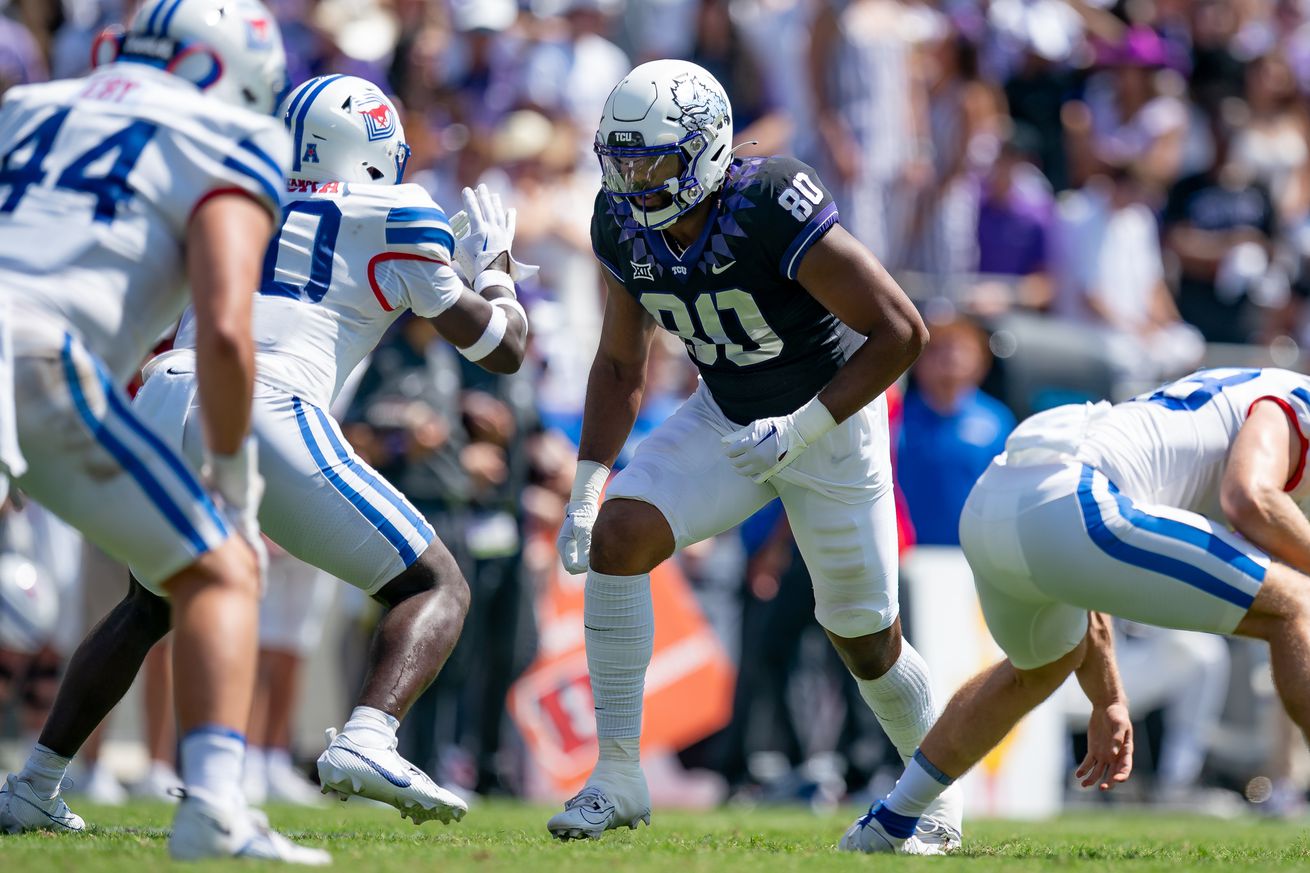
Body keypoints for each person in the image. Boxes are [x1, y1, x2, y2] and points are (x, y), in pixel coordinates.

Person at [10, 74, 529, 830]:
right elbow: (502, 347)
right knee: (434, 584)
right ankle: (368, 735)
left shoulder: (234, 195)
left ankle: (33, 783)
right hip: (266, 400)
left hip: (163, 392)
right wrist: (498, 268)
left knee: (149, 604)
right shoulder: (396, 210)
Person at [547, 59, 963, 851]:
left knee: (865, 638)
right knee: (619, 535)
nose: (633, 179)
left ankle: (934, 796)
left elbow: (902, 329)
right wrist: (586, 484)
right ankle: (617, 775)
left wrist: (803, 427)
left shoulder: (769, 199)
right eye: (622, 159)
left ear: (704, 150)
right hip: (727, 414)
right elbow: (619, 364)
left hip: (833, 424)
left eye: (653, 160)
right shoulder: (619, 220)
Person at [0, 0, 328, 862]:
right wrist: (232, 475)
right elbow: (224, 327)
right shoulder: (231, 137)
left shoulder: (30, 105)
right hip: (34, 355)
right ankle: (214, 806)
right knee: (220, 564)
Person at [848, 367, 1310, 853]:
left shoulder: (1213, 403)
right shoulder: (1294, 397)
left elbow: (1094, 571)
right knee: (1294, 605)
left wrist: (1108, 698)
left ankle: (889, 822)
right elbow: (1249, 498)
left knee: (1039, 668)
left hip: (997, 502)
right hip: (1076, 497)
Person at [897, 316, 1014, 546]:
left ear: (982, 362)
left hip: (973, 552)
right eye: (938, 349)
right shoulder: (896, 419)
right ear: (918, 361)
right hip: (909, 551)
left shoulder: (997, 422)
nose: (951, 358)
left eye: (962, 349)